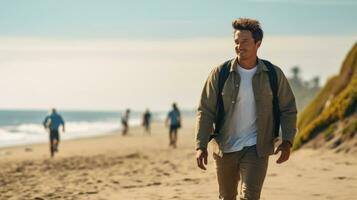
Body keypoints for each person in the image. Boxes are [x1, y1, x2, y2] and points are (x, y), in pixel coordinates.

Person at [195, 18, 297, 200]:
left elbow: (288, 109)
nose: (239, 46)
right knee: (226, 197)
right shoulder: (220, 73)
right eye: (236, 42)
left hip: (257, 147)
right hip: (225, 146)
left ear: (258, 44)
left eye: (244, 42)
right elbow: (206, 110)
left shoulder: (273, 74)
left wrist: (287, 141)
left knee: (250, 196)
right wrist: (200, 145)